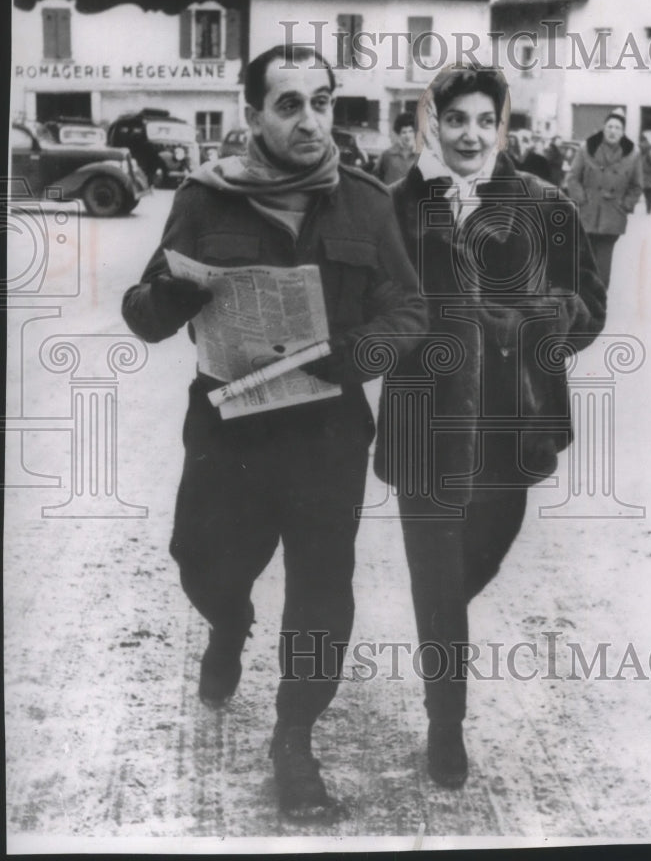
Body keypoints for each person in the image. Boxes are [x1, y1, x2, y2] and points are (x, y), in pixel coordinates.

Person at [122, 44, 427, 820]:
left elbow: (408, 308)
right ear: (252, 113)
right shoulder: (204, 198)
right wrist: (170, 298)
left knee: (321, 589)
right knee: (201, 563)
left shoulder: (365, 201)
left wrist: (360, 352)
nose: (310, 120)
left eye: (321, 102)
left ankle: (295, 737)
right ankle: (228, 624)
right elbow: (144, 313)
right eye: (289, 104)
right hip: (229, 429)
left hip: (326, 432)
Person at [374, 64, 606, 789]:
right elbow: (369, 303)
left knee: (475, 564)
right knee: (436, 577)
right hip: (424, 424)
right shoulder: (397, 206)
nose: (469, 135)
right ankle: (446, 725)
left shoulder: (544, 203)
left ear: (502, 127)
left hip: (511, 428)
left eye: (485, 120)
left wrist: (537, 323)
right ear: (431, 124)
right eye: (455, 119)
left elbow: (589, 307)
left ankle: (438, 627)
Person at [565, 109, 643, 289]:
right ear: (603, 128)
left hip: (613, 216)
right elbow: (572, 178)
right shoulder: (587, 148)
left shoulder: (633, 154)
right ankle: (583, 298)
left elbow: (637, 186)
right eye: (610, 127)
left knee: (602, 268)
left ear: (623, 132)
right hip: (587, 214)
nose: (613, 131)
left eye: (617, 128)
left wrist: (625, 205)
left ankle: (598, 300)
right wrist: (581, 200)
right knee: (584, 262)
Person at [375, 111, 418, 184]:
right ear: (398, 134)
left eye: (411, 131)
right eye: (404, 132)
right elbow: (376, 178)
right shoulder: (387, 155)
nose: (408, 136)